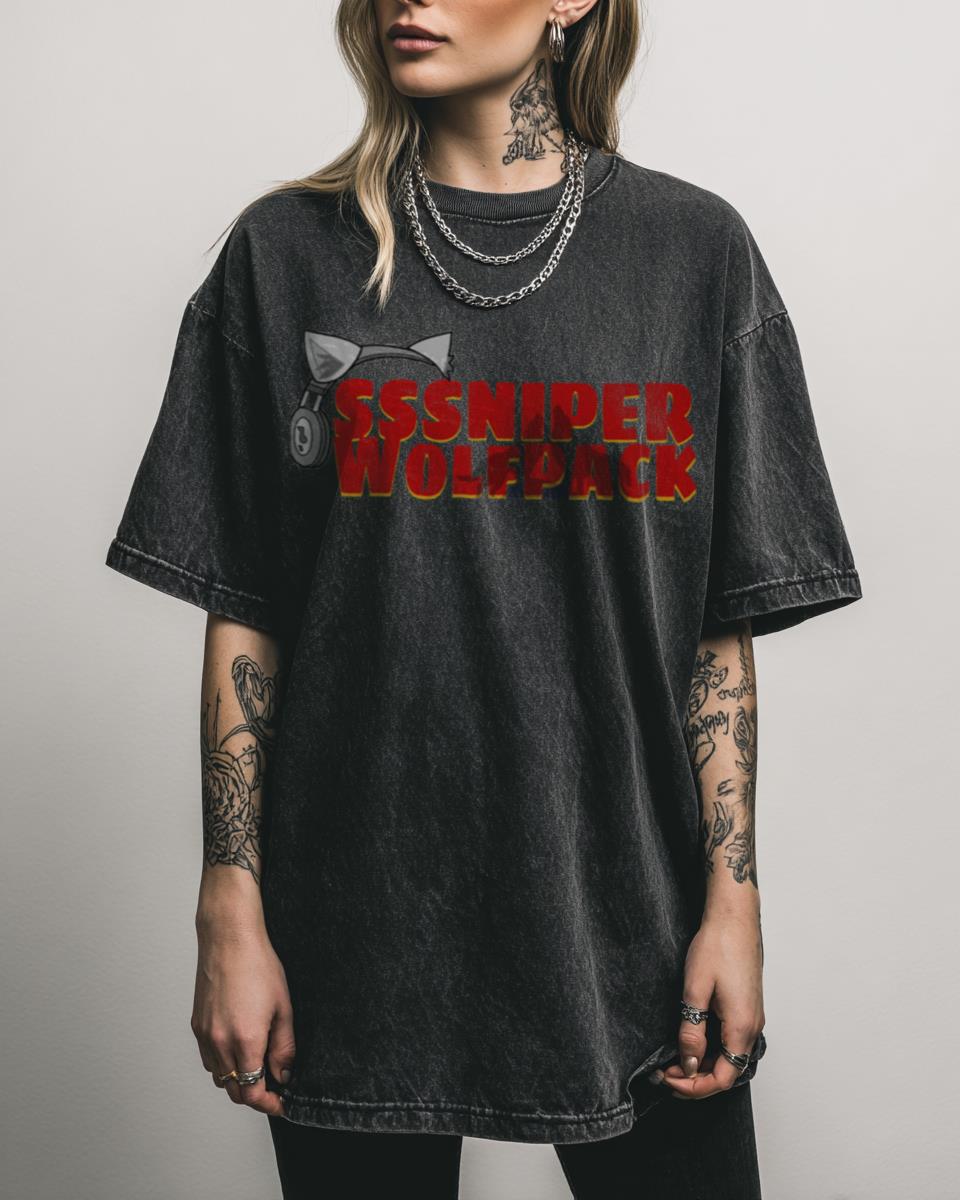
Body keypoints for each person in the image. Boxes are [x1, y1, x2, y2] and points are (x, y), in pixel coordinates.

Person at [104, 1, 863, 1196]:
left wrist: (735, 901)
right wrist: (229, 905)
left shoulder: (693, 255)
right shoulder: (285, 253)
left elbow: (714, 631)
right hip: (353, 926)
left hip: (631, 920)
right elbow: (246, 608)